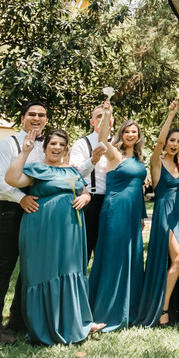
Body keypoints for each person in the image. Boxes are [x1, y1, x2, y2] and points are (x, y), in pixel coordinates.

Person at [5, 128, 104, 345]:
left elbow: (84, 191)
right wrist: (24, 152)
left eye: (61, 144)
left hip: (71, 229)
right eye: (52, 144)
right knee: (45, 271)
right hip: (42, 229)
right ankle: (45, 326)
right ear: (45, 147)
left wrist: (86, 198)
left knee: (69, 270)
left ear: (66, 148)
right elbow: (11, 179)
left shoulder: (73, 170)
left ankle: (74, 323)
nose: (57, 148)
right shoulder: (36, 168)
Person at [0, 100, 49, 344]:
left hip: (37, 210)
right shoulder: (6, 144)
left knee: (30, 266)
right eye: (32, 114)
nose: (36, 118)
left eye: (41, 115)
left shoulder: (47, 147)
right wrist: (21, 199)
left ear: (45, 119)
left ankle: (18, 317)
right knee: (5, 265)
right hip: (12, 209)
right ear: (22, 117)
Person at [89, 106, 150, 332]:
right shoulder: (114, 153)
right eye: (127, 132)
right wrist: (107, 114)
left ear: (138, 135)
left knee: (132, 257)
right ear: (122, 134)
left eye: (134, 132)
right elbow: (102, 137)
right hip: (115, 210)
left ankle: (130, 310)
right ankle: (106, 311)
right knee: (113, 257)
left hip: (133, 212)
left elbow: (139, 190)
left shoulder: (139, 157)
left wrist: (142, 215)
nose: (131, 135)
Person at [135, 100, 179, 327]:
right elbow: (157, 141)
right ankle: (162, 310)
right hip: (163, 215)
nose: (174, 144)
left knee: (177, 261)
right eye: (172, 140)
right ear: (165, 142)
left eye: (178, 141)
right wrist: (171, 115)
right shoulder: (156, 162)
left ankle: (171, 308)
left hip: (178, 214)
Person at [71, 104, 111, 262]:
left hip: (111, 202)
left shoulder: (118, 142)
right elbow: (76, 173)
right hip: (90, 201)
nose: (103, 119)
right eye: (99, 116)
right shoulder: (82, 144)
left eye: (107, 115)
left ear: (112, 120)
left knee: (107, 254)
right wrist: (93, 160)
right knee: (84, 252)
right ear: (92, 122)